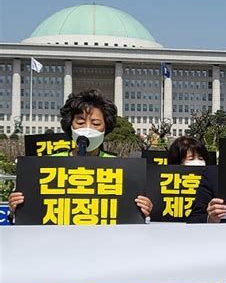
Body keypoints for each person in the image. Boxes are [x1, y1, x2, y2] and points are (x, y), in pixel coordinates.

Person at [8, 89, 153, 219]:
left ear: (105, 127)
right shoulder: (47, 164)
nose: (87, 128)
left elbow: (128, 210)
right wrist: (16, 208)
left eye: (96, 123)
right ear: (70, 125)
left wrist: (143, 209)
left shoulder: (120, 167)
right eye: (80, 122)